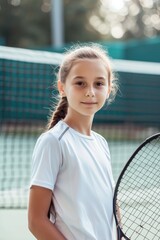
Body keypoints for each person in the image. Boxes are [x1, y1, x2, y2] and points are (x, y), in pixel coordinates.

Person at [28, 43, 118, 240]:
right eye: (80, 83)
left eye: (99, 84)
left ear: (109, 88)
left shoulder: (101, 143)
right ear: (62, 87)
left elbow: (111, 205)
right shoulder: (53, 142)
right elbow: (36, 220)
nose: (90, 92)